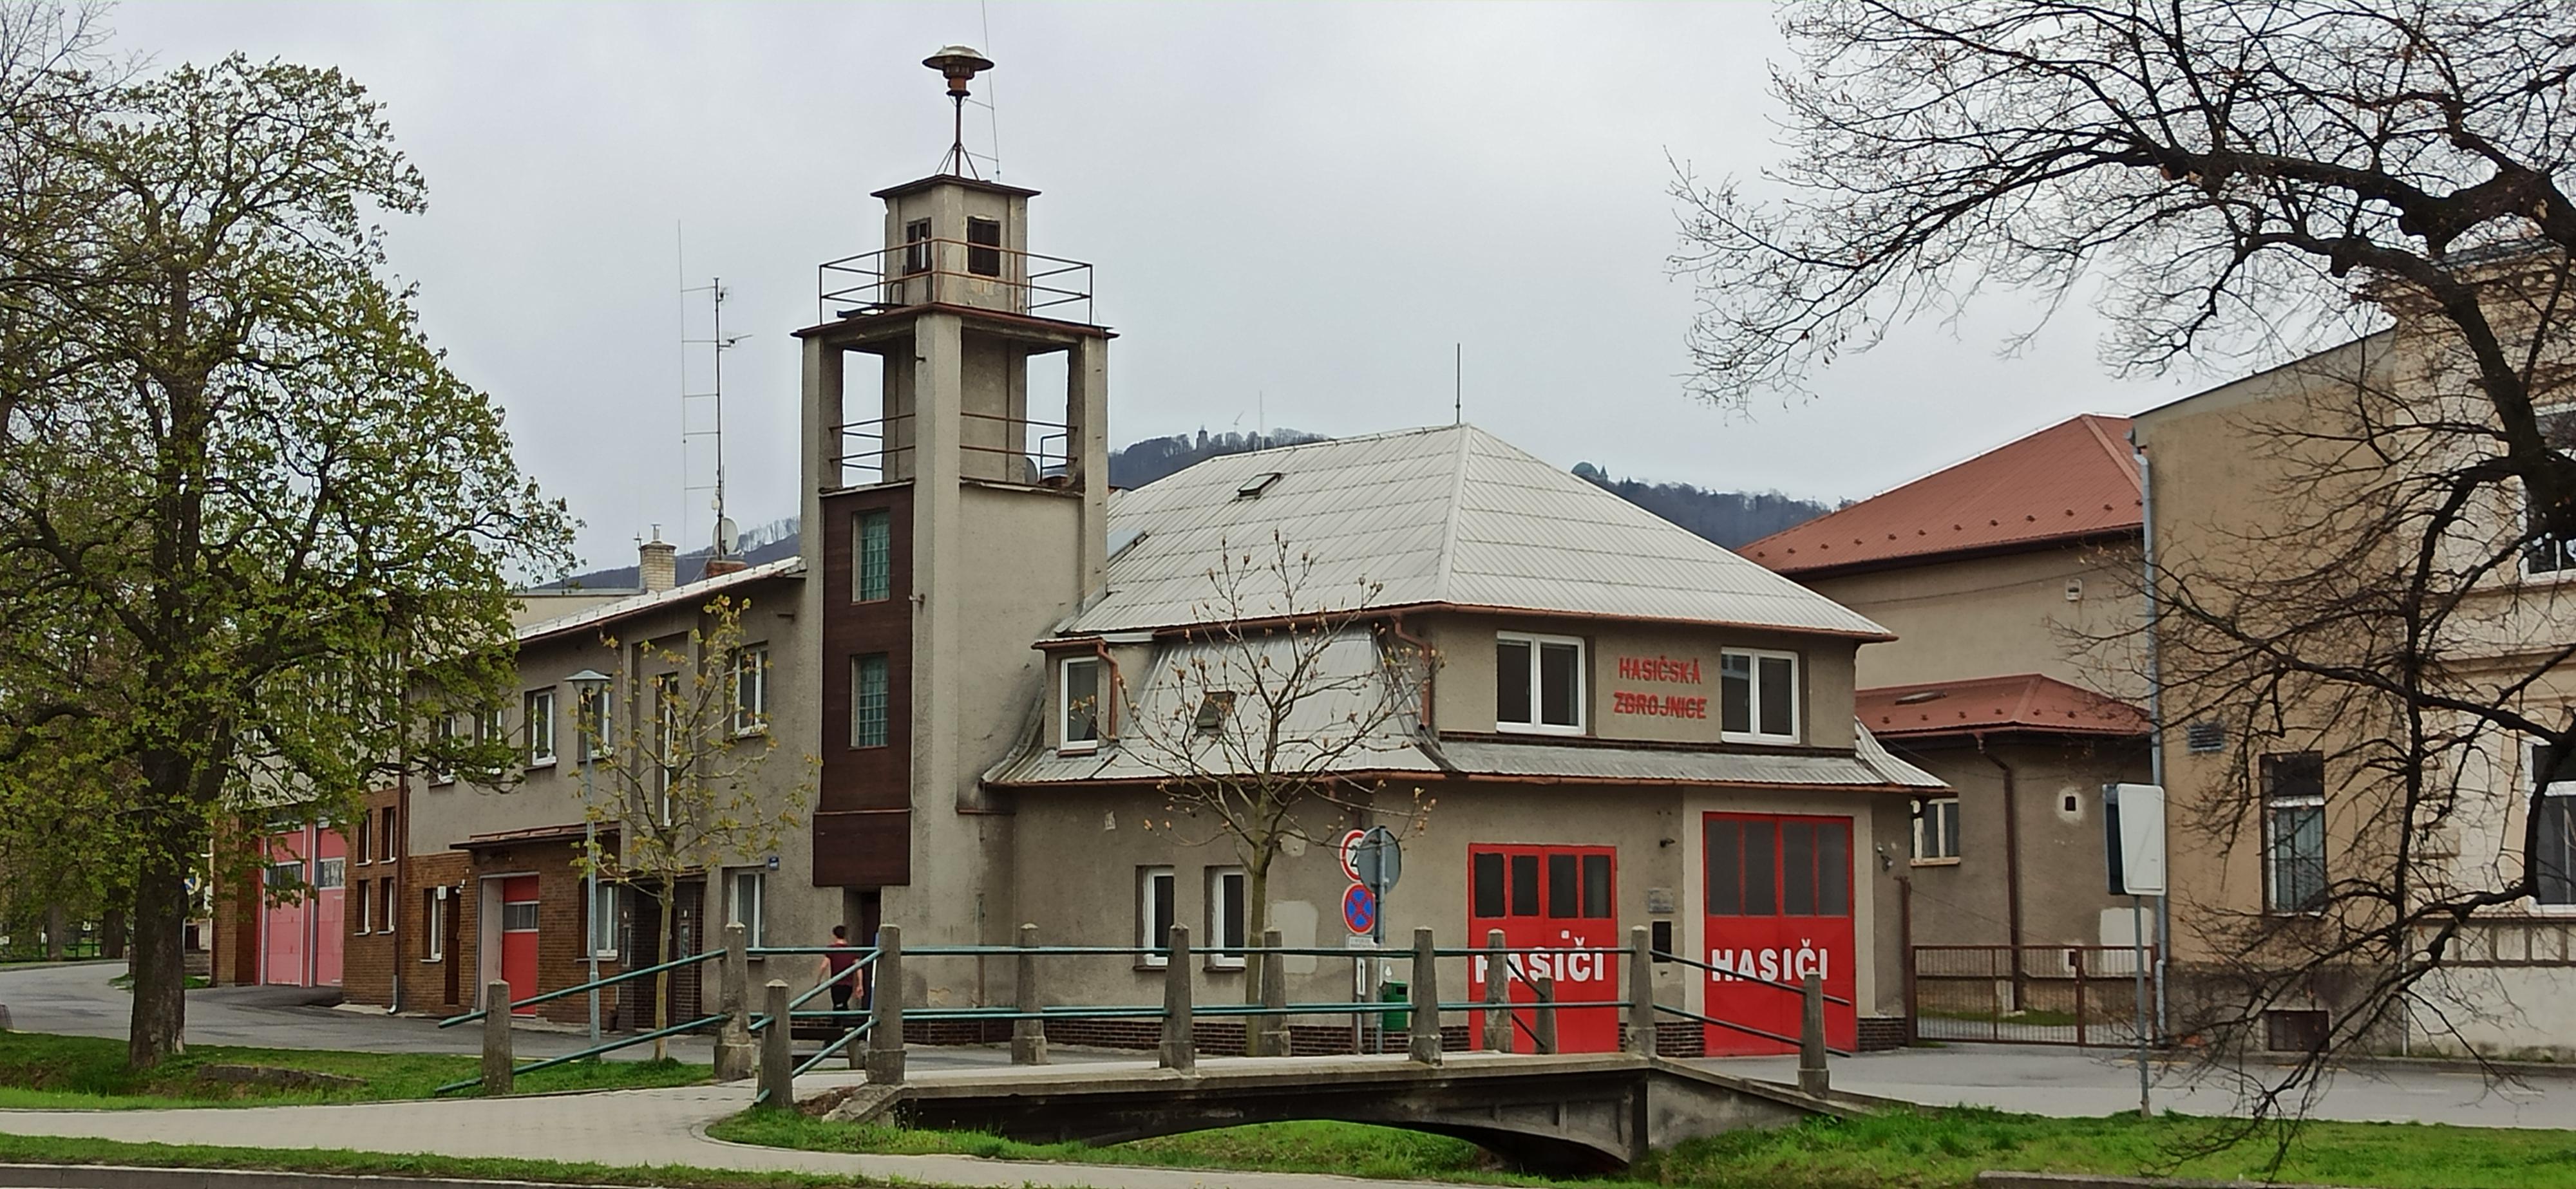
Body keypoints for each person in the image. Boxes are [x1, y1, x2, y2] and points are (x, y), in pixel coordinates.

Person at [817, 924, 865, 1020]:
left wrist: (818, 981)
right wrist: (860, 984)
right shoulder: (851, 951)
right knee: (843, 1004)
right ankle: (844, 1024)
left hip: (836, 983)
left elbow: (824, 966)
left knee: (838, 1005)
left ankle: (839, 1025)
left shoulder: (832, 949)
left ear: (834, 935)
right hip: (848, 984)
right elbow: (859, 967)